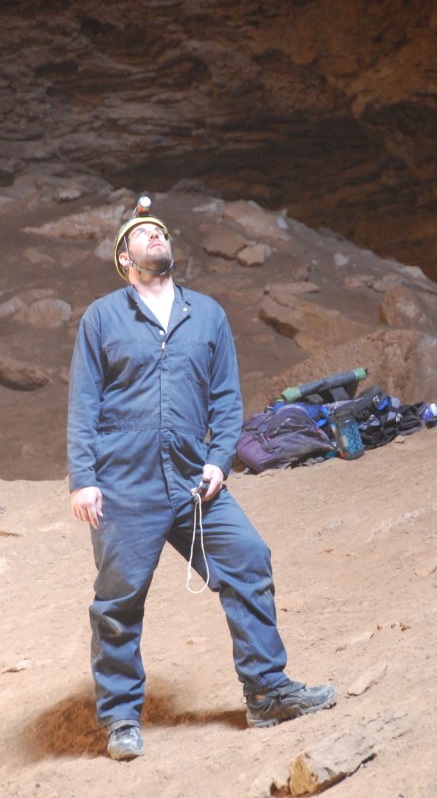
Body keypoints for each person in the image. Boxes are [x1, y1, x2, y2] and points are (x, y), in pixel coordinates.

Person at [67, 195, 336, 760]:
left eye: (161, 231)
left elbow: (225, 398)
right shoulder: (102, 318)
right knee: (117, 603)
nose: (156, 236)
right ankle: (120, 719)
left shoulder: (207, 314)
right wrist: (83, 479)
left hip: (196, 484)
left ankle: (267, 693)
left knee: (248, 558)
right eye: (143, 234)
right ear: (124, 259)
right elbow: (84, 402)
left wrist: (220, 460)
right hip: (124, 488)